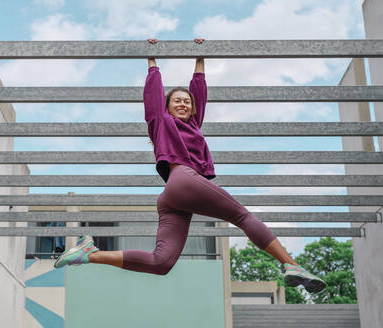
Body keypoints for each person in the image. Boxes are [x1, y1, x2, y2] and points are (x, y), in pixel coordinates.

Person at [54, 38, 326, 293]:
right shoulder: (160, 122)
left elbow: (199, 90)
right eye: (176, 101)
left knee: (162, 263)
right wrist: (152, 59)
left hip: (173, 198)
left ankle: (90, 254)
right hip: (182, 178)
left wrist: (200, 57)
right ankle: (291, 263)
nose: (183, 103)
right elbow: (153, 96)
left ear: (193, 109)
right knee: (242, 216)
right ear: (167, 107)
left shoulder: (194, 125)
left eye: (187, 102)